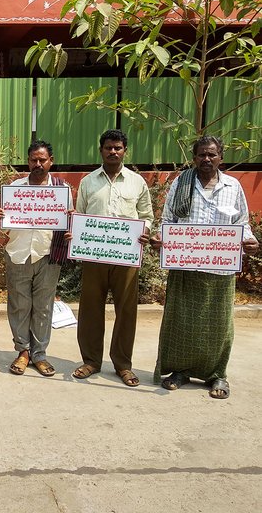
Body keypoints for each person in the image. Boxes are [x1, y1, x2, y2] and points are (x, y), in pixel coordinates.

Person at [151, 136, 259, 399]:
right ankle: (180, 371)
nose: (206, 159)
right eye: (201, 155)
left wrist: (250, 241)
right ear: (194, 157)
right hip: (185, 267)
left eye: (212, 154)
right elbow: (168, 220)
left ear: (221, 156)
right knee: (181, 322)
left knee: (218, 325)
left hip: (220, 270)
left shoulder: (232, 186)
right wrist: (161, 238)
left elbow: (241, 222)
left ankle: (217, 376)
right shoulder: (181, 182)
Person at [71, 129, 153, 386]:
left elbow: (147, 215)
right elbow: (80, 216)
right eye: (108, 147)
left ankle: (122, 364)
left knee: (126, 311)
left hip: (126, 256)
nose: (113, 152)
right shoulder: (88, 181)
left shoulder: (137, 182)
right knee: (90, 309)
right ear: (101, 150)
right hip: (94, 256)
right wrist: (75, 232)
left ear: (124, 151)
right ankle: (91, 360)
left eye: (117, 148)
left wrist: (146, 231)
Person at [0, 141, 72, 377]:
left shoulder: (62, 190)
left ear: (51, 161)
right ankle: (23, 351)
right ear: (28, 161)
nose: (38, 164)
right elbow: (3, 229)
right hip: (18, 253)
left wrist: (71, 228)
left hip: (48, 253)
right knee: (19, 305)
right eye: (33, 160)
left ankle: (39, 355)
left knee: (43, 307)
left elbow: (68, 221)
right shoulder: (15, 188)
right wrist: (0, 218)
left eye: (42, 160)